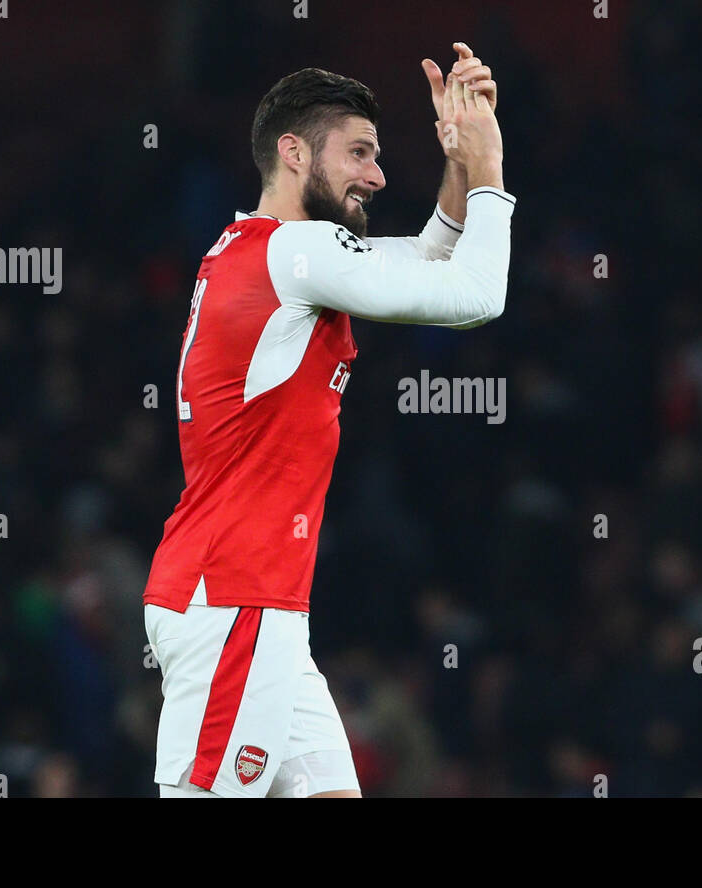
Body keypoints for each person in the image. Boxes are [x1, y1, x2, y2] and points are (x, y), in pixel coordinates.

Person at [141, 43, 514, 798]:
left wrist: (456, 159)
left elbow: (421, 262)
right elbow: (475, 296)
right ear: (291, 152)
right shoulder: (295, 255)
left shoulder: (264, 252)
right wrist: (491, 167)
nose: (376, 176)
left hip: (258, 603)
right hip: (235, 600)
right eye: (358, 153)